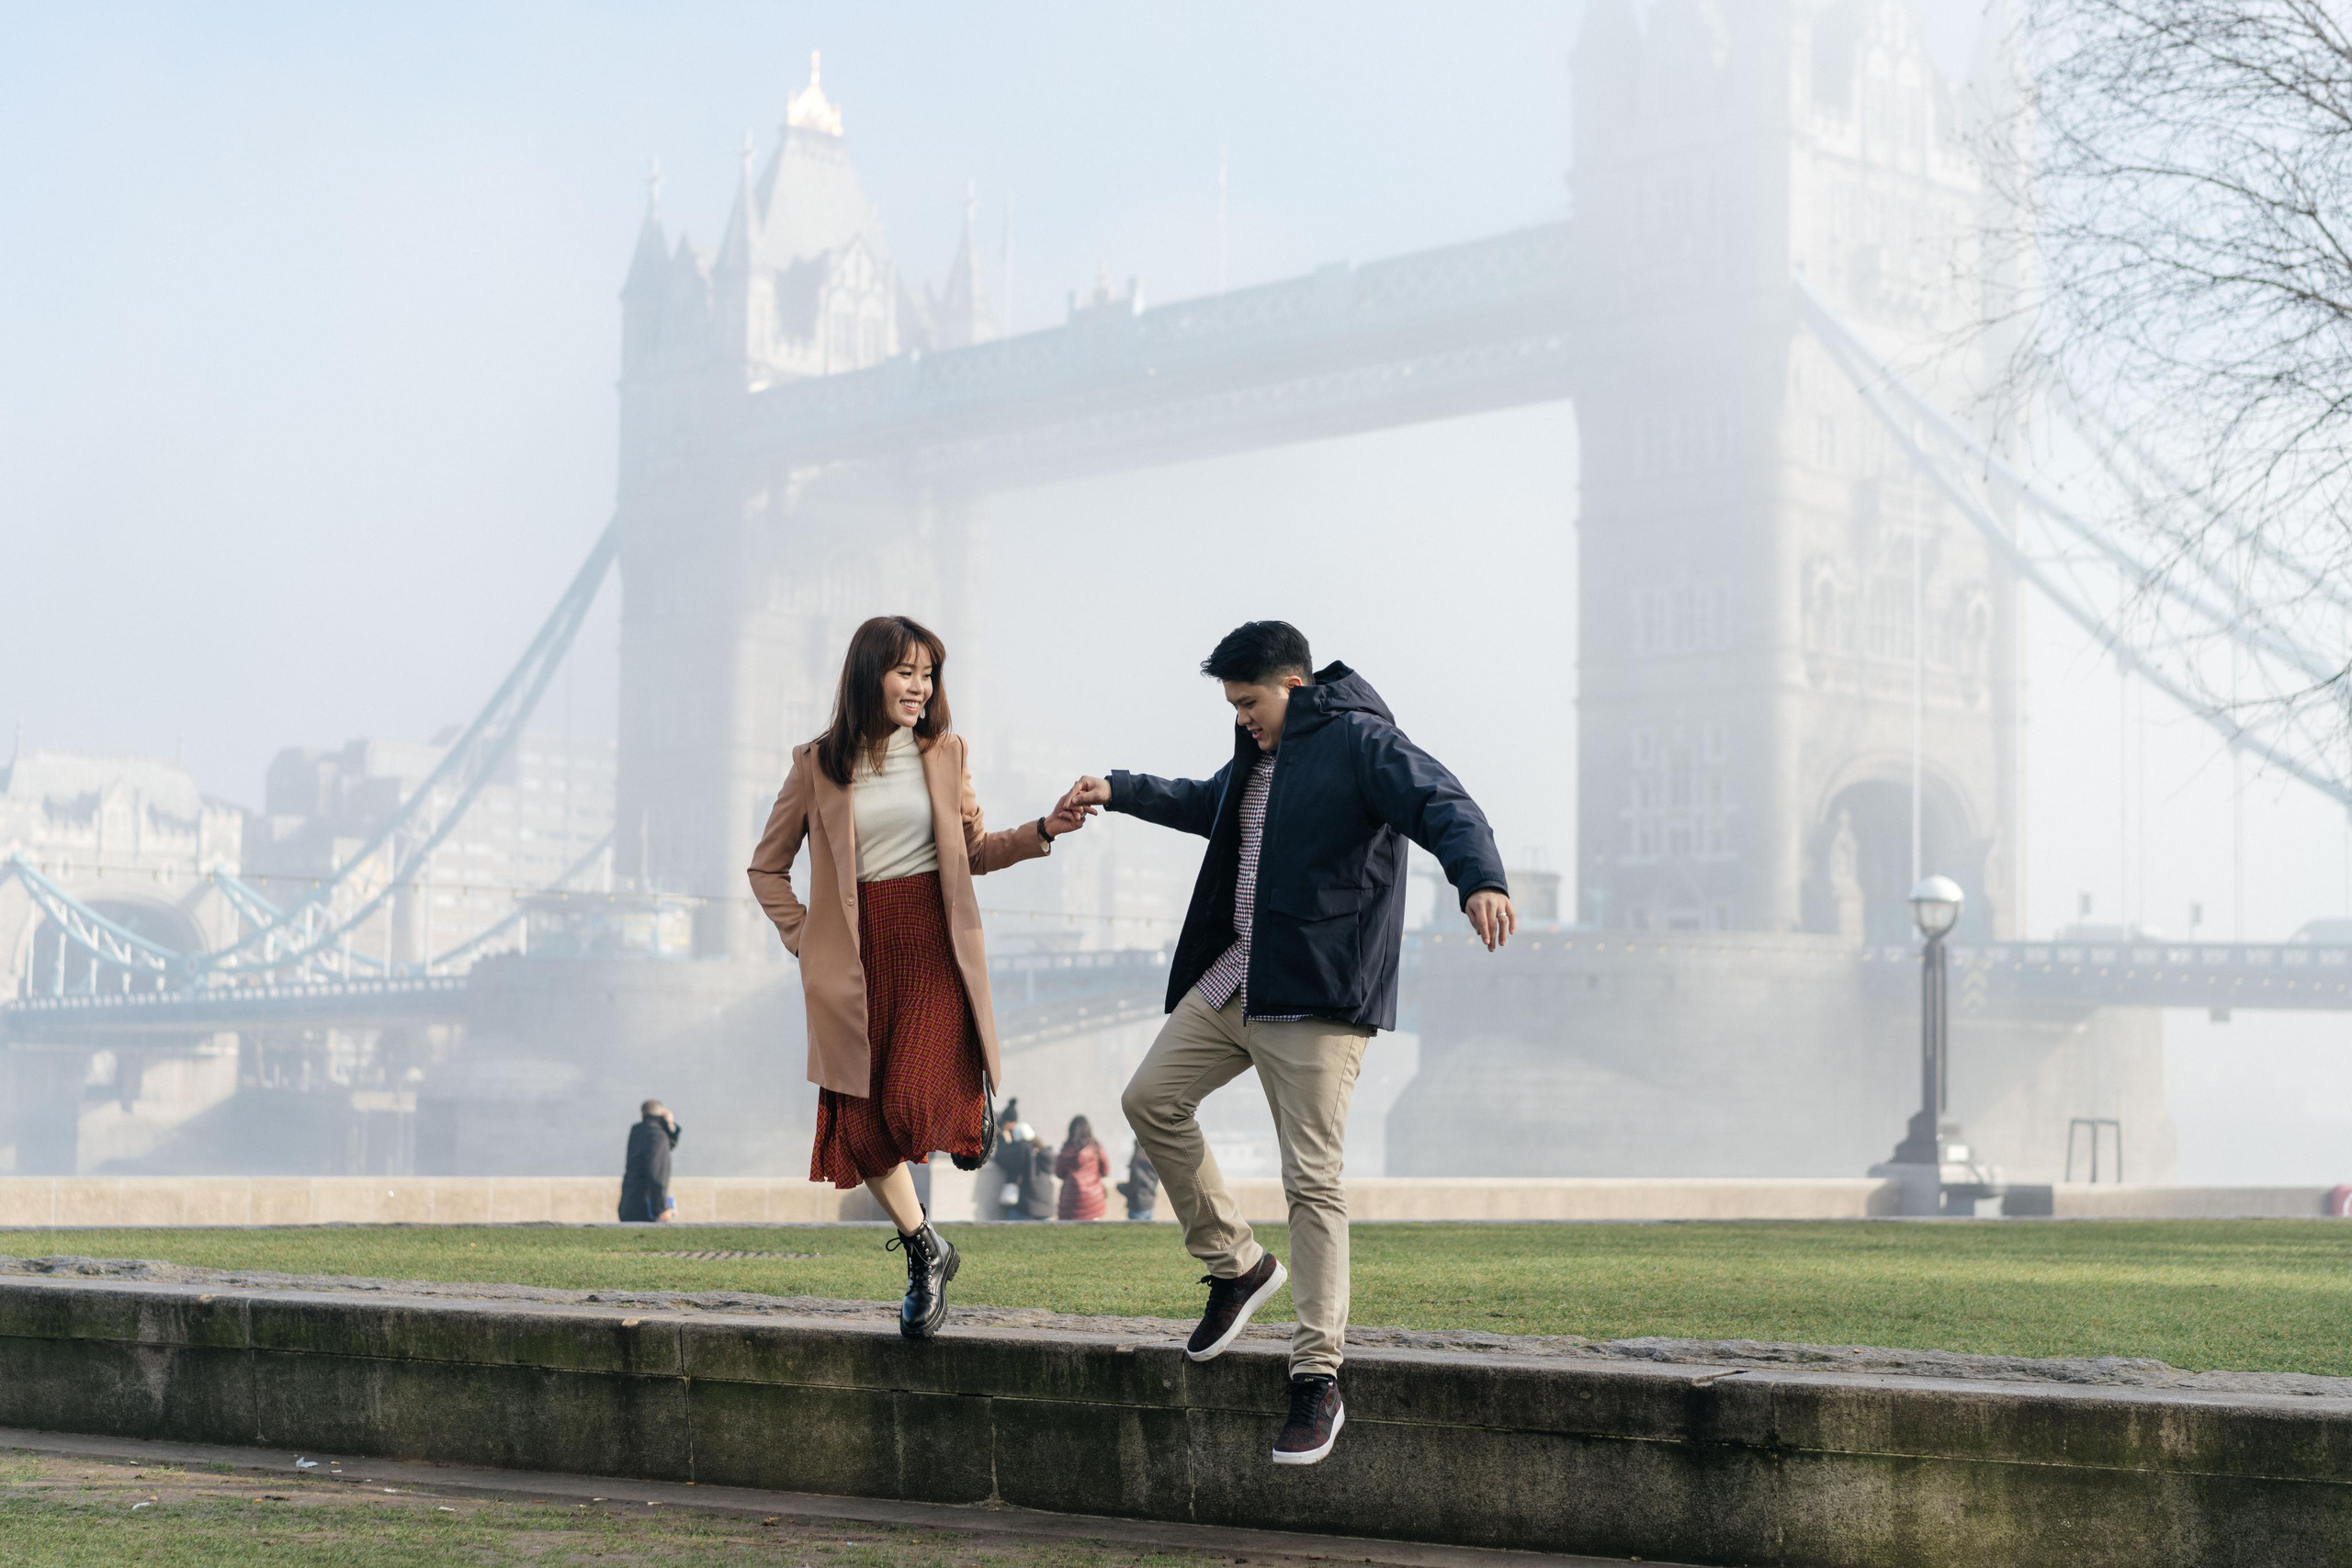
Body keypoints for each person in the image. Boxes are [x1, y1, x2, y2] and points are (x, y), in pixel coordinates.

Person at [1059, 620, 1513, 1466]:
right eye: (1231, 705)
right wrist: (1117, 788)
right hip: (1240, 976)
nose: (1240, 719)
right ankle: (1236, 1267)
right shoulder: (1260, 756)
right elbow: (1206, 801)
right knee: (1150, 1100)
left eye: (1249, 702)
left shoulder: (1362, 742)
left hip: (1316, 989)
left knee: (1311, 1179)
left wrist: (1478, 876)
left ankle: (1317, 1376)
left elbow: (1441, 802)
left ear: (1293, 686)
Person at [748, 615, 1091, 1337]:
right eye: (906, 671)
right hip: (853, 962)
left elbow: (973, 850)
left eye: (928, 673)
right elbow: (766, 866)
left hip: (932, 943)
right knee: (865, 1132)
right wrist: (804, 937)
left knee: (908, 1102)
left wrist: (1044, 831)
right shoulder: (815, 765)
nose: (920, 686)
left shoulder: (944, 752)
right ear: (869, 674)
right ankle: (926, 1249)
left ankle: (968, 1098)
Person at [617, 1100, 680, 1223]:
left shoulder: (637, 1131)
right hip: (647, 1207)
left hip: (629, 1203)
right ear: (662, 1115)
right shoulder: (658, 1135)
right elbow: (657, 1174)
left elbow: (667, 1146)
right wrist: (660, 1209)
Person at [1054, 1115, 1112, 1222]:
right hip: (1093, 1198)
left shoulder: (1066, 1149)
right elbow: (1105, 1171)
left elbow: (1059, 1173)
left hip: (1071, 1197)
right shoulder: (1096, 1148)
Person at [1117, 1144, 1159, 1222]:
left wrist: (1120, 1187)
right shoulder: (1155, 1165)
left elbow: (1133, 1189)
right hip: (1150, 1203)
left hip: (1137, 1204)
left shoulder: (1137, 1166)